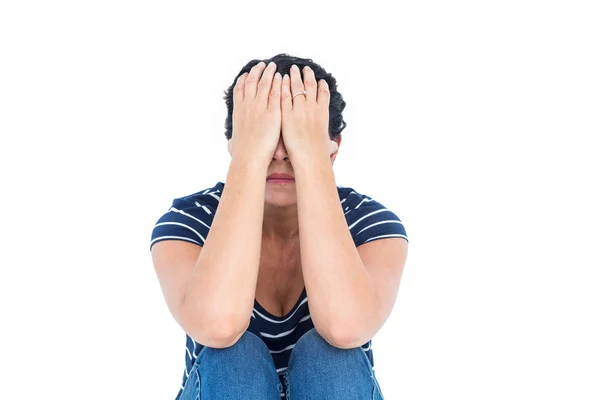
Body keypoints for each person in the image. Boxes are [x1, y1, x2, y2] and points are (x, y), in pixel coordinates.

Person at [150, 53, 409, 400]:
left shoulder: (372, 224)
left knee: (331, 360)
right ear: (235, 144)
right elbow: (219, 326)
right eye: (268, 136)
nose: (280, 154)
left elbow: (345, 327)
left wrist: (311, 157)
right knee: (235, 360)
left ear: (333, 150)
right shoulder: (188, 220)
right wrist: (250, 156)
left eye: (296, 136)